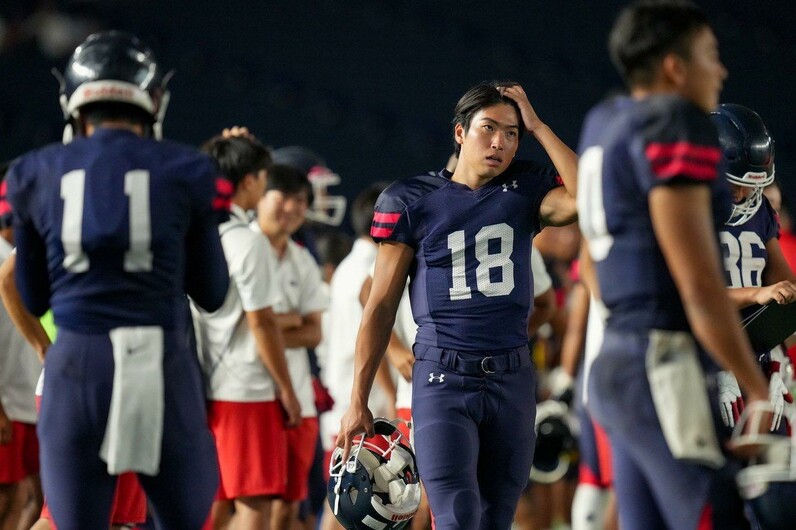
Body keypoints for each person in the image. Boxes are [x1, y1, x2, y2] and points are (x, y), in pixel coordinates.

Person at [5, 30, 230, 529]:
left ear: (74, 103)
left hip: (77, 364)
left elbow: (33, 292)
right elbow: (212, 293)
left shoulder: (32, 172)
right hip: (164, 363)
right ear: (153, 101)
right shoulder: (188, 169)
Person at [337, 80, 579, 529]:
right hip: (443, 380)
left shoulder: (525, 189)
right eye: (488, 128)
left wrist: (540, 127)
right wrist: (358, 399)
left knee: (496, 519)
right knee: (456, 517)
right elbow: (380, 306)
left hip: (512, 377)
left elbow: (588, 198)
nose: (500, 142)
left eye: (511, 133)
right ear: (460, 133)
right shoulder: (412, 200)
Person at [575, 2, 772, 528]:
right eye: (711, 55)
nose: (722, 70)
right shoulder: (671, 122)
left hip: (616, 361)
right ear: (674, 67)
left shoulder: (604, 120)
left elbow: (594, 263)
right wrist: (756, 387)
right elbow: (700, 285)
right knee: (720, 516)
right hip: (661, 362)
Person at [194, 134, 300, 530]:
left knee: (215, 506)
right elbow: (262, 321)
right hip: (247, 391)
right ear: (251, 181)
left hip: (207, 386)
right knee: (254, 506)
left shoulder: (200, 235)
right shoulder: (247, 242)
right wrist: (286, 389)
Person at [709, 104, 796, 432]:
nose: (744, 194)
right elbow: (695, 295)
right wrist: (758, 293)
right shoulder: (688, 216)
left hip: (759, 350)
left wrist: (777, 356)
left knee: (774, 461)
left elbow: (782, 283)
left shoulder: (760, 211)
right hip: (710, 350)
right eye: (733, 186)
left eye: (750, 185)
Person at [253, 163, 329, 529]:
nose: (292, 208)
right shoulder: (236, 246)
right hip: (244, 395)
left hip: (297, 400)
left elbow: (315, 333)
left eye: (301, 201)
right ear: (260, 197)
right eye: (283, 197)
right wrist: (289, 320)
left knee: (288, 505)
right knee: (239, 505)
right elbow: (238, 324)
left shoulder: (302, 260)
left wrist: (265, 324)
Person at [0, 167, 43, 530]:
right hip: (9, 405)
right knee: (9, 496)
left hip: (25, 400)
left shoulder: (15, 256)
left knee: (30, 496)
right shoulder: (5, 259)